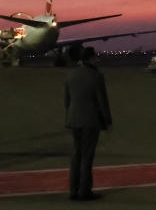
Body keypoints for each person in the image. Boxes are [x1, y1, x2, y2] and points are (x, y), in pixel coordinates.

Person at [64, 46, 112, 202]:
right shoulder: (96, 76)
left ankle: (73, 190)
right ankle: (85, 191)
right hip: (90, 121)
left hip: (74, 119)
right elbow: (102, 102)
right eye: (95, 57)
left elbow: (67, 100)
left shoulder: (70, 75)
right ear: (90, 58)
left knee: (76, 155)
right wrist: (107, 120)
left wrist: (70, 116)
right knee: (87, 157)